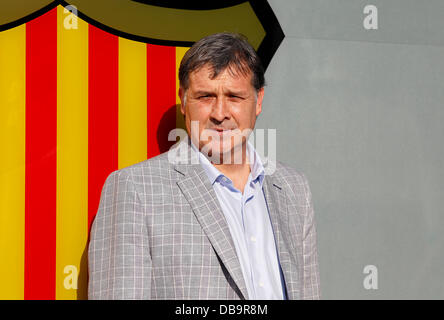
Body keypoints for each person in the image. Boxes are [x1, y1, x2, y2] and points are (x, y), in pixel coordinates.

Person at [88, 32, 320, 300]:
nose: (220, 113)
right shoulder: (136, 189)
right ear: (184, 100)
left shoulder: (293, 188)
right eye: (205, 97)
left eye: (234, 97)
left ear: (258, 101)